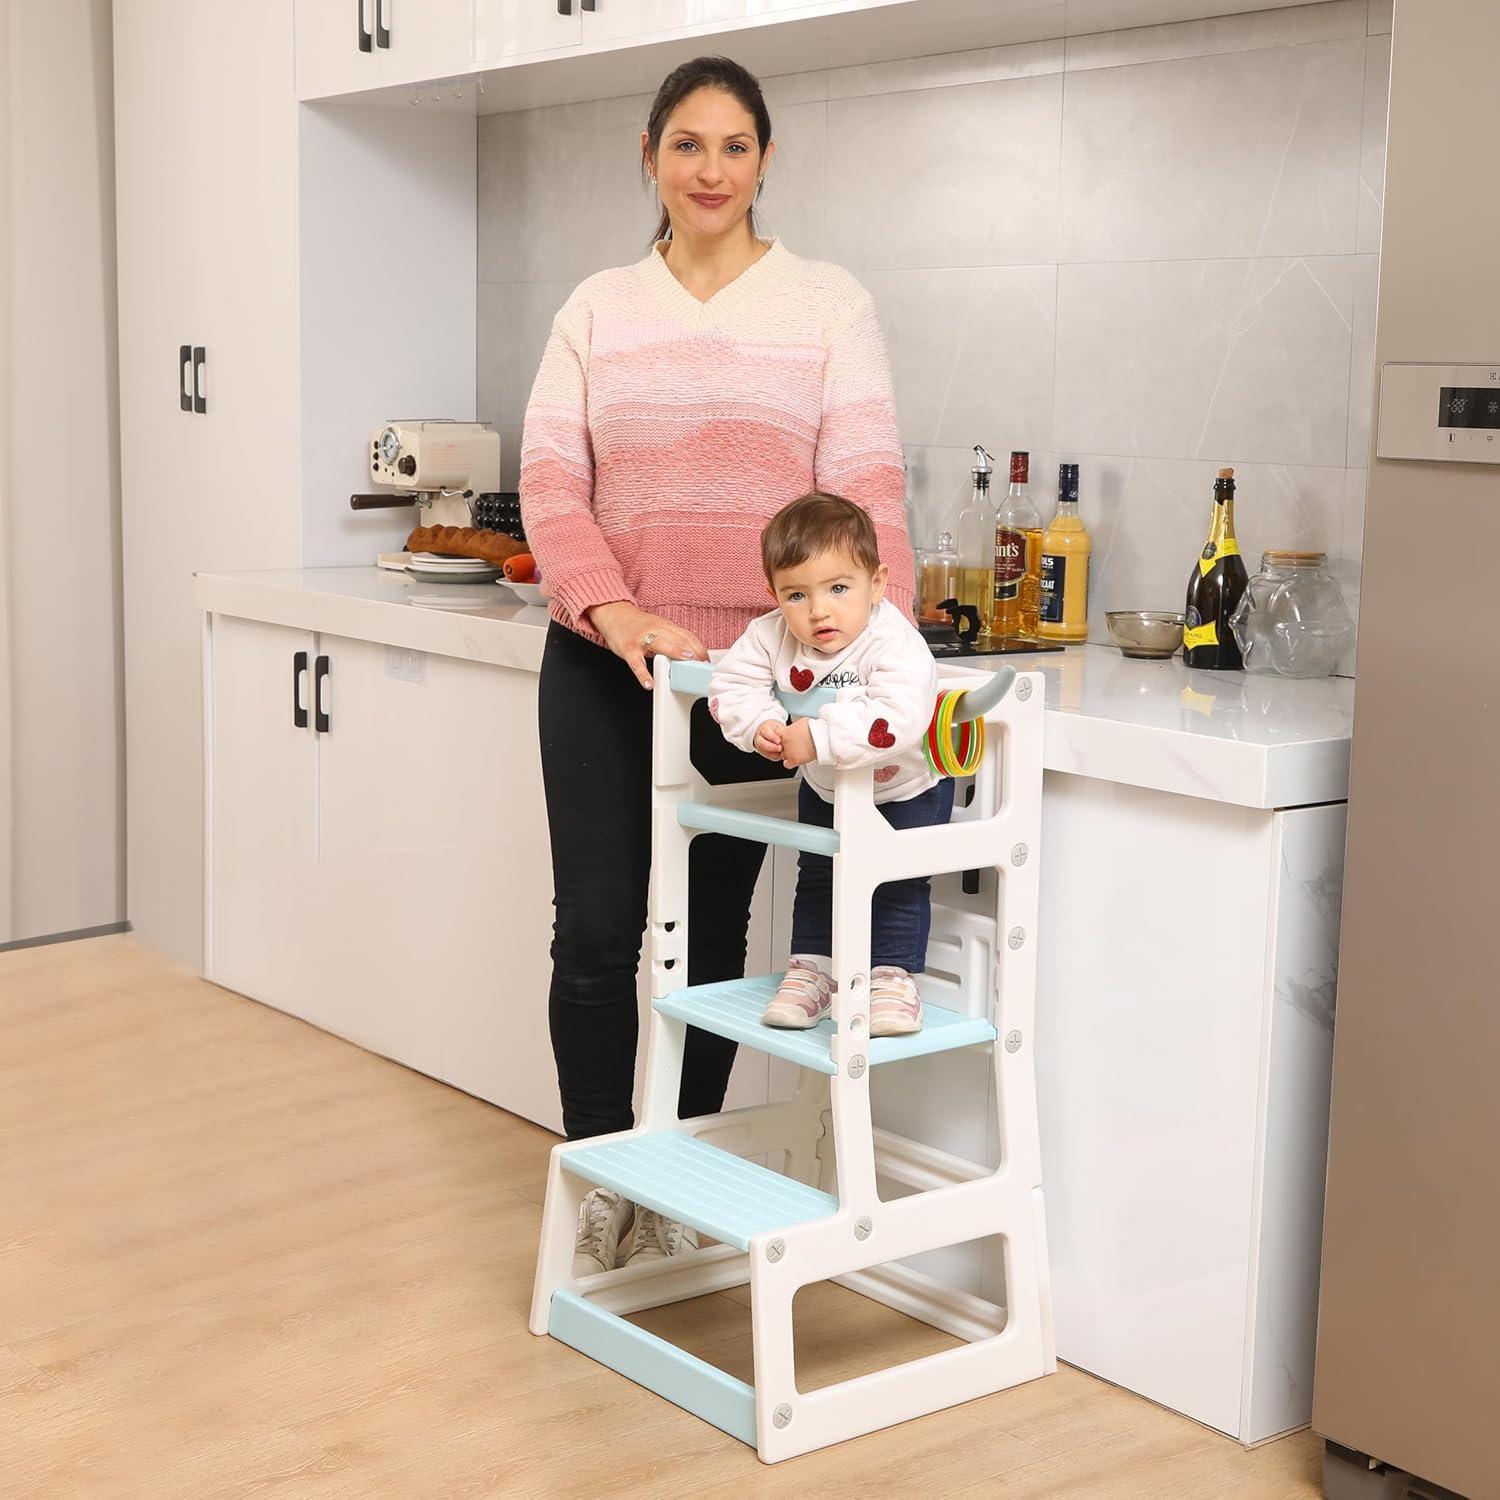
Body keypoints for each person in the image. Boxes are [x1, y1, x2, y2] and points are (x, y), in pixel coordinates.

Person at [519, 55, 913, 1279]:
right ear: (649, 155)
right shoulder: (595, 306)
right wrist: (618, 611)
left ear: (765, 160)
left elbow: (872, 497)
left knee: (710, 948)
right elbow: (550, 486)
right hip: (604, 665)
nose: (711, 170)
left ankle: (674, 1162)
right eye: (688, 145)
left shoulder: (829, 306)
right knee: (594, 935)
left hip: (756, 683)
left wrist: (872, 649)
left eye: (735, 146)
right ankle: (602, 1175)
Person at [708, 493, 951, 1038]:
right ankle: (813, 973)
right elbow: (732, 684)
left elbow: (897, 715)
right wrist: (760, 725)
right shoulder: (771, 633)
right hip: (827, 786)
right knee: (817, 874)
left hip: (905, 786)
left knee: (897, 880)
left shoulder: (894, 641)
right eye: (796, 594)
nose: (818, 610)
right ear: (774, 595)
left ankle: (891, 978)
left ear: (877, 583)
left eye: (839, 589)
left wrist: (816, 736)